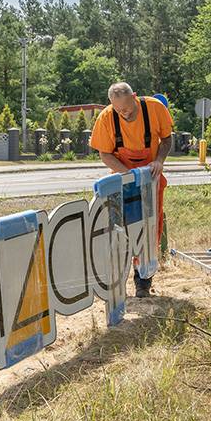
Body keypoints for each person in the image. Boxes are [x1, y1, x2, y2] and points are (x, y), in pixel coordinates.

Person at [88, 82, 172, 297]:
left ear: (134, 96)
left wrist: (159, 161)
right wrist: (129, 176)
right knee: (121, 230)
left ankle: (143, 281)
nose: (124, 113)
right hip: (122, 179)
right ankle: (117, 282)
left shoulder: (154, 108)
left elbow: (166, 139)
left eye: (127, 108)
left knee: (149, 229)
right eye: (118, 110)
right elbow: (105, 154)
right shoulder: (106, 118)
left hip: (151, 179)